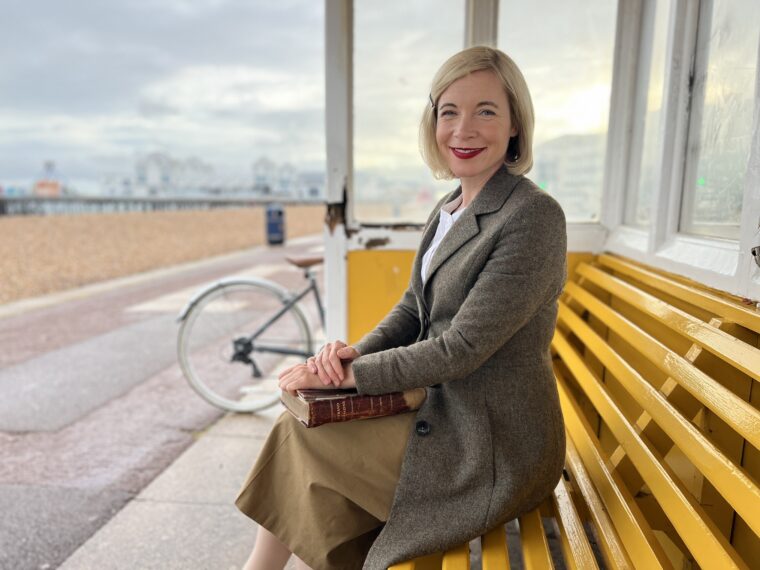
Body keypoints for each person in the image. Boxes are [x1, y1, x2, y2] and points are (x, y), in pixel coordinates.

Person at [235, 45, 567, 570]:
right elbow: (413, 308)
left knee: (306, 441)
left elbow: (461, 350)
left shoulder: (533, 217)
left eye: (485, 111)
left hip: (492, 441)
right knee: (296, 432)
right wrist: (348, 358)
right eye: (449, 112)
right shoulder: (450, 207)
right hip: (444, 408)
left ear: (514, 126)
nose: (463, 130)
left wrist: (351, 377)